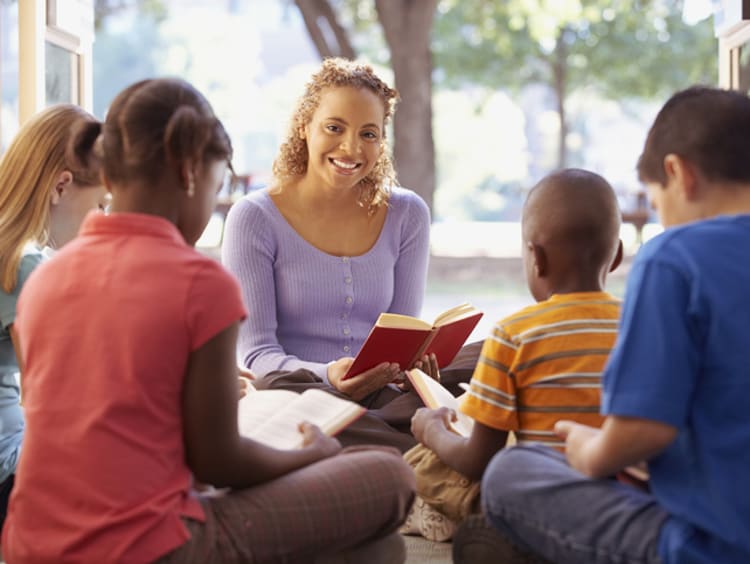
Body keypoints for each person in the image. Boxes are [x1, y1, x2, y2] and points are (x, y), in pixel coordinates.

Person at [3, 78, 414, 563]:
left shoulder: (45, 279)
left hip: (33, 542)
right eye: (218, 184)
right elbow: (219, 460)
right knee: (390, 476)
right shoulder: (200, 282)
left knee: (374, 548)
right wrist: (311, 456)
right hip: (149, 545)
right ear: (192, 175)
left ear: (108, 178)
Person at [477, 86, 750, 564]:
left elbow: (644, 431)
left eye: (659, 205)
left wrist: (589, 451)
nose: (665, 223)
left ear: (677, 173)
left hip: (710, 546)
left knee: (511, 472)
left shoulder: (673, 258)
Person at [222, 58, 436, 452]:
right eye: (334, 128)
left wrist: (415, 369)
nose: (352, 148)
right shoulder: (253, 218)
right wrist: (329, 375)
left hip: (382, 396)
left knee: (481, 361)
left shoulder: (408, 214)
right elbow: (257, 355)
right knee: (273, 392)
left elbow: (404, 333)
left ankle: (390, 440)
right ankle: (414, 443)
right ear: (304, 127)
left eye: (369, 134)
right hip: (298, 392)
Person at [401, 168, 624, 543]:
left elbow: (479, 460)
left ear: (536, 258)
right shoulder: (641, 326)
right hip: (620, 497)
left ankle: (437, 511)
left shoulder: (514, 334)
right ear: (616, 256)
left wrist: (433, 430)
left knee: (421, 463)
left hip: (539, 500)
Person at [0, 104, 109, 533]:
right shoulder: (24, 265)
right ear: (61, 187)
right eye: (99, 203)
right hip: (10, 473)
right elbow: (63, 402)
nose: (102, 220)